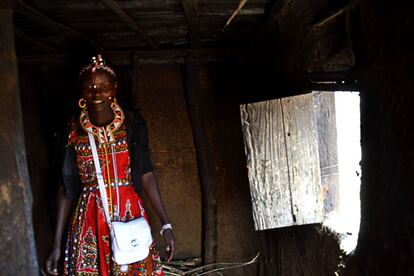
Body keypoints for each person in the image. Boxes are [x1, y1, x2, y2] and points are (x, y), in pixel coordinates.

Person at [45, 54, 175, 275]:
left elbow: (146, 174)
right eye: (90, 86)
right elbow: (64, 186)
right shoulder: (72, 130)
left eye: (104, 87)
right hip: (89, 219)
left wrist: (166, 225)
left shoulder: (131, 124)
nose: (97, 93)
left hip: (129, 214)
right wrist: (56, 245)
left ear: (114, 89)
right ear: (81, 91)